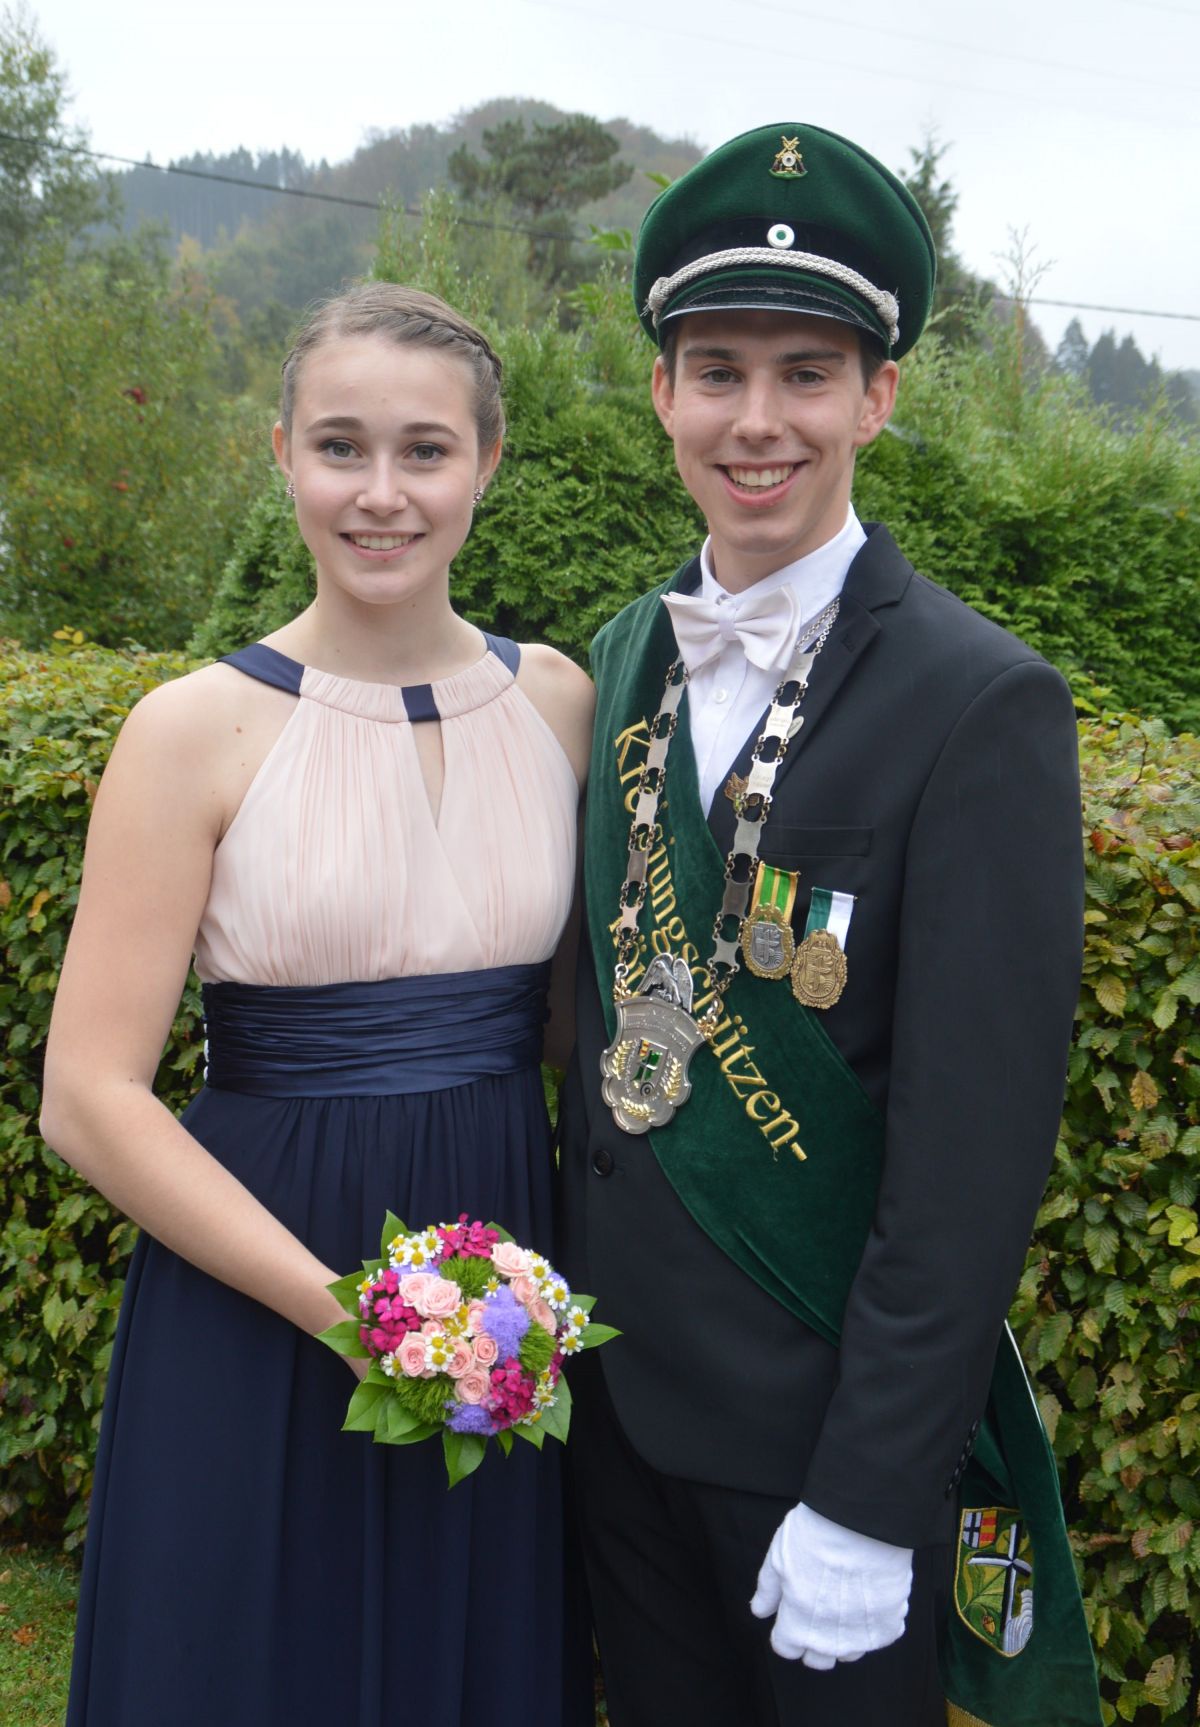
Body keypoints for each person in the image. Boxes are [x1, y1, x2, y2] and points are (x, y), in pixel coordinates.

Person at [558, 123, 1102, 1726]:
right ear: (661, 391)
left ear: (877, 396)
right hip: (618, 1419)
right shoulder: (625, 654)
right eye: (715, 369)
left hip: (818, 1452)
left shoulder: (981, 699)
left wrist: (873, 1495)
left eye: (808, 373)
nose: (757, 420)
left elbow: (972, 1150)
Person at [41, 283, 595, 1727]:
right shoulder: (193, 731)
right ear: (279, 453)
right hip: (259, 1289)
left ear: (487, 464)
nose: (382, 493)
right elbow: (88, 1097)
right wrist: (352, 1317)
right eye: (341, 447)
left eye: (425, 451)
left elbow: (571, 1029)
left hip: (496, 1292)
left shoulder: (558, 706)